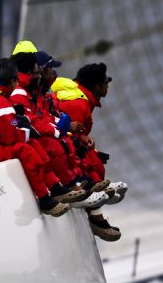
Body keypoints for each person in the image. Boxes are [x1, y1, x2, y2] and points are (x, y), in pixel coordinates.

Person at [0, 58, 68, 216]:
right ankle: (44, 198)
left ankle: (54, 186)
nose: (17, 85)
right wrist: (25, 127)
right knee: (25, 149)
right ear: (10, 81)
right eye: (16, 80)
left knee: (31, 145)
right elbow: (11, 137)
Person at [52, 63, 126, 240]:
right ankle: (95, 214)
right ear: (97, 86)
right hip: (59, 153)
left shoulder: (82, 97)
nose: (108, 85)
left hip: (65, 146)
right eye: (106, 82)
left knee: (94, 158)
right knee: (93, 162)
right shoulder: (78, 102)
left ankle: (97, 202)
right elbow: (67, 137)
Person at [9, 43, 85, 203]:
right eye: (37, 71)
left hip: (26, 134)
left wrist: (58, 126)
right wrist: (56, 130)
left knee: (66, 143)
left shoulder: (33, 91)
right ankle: (62, 188)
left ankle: (73, 183)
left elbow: (40, 115)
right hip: (15, 139)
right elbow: (28, 120)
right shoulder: (21, 92)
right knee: (49, 147)